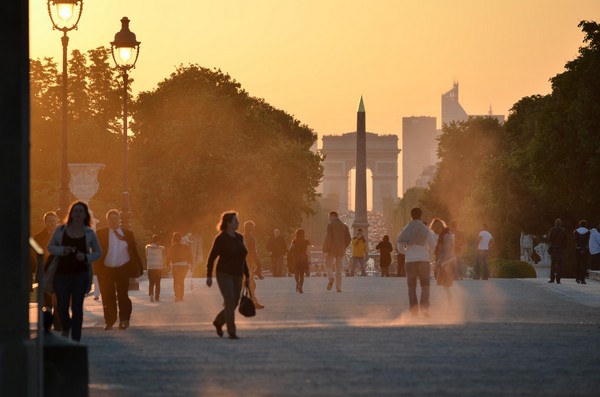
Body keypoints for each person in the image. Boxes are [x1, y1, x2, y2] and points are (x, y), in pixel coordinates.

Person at [47, 201, 101, 341]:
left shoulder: (89, 233)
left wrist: (86, 257)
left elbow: (98, 253)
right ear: (71, 214)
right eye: (75, 211)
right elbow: (51, 247)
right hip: (61, 274)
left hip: (80, 274)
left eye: (81, 211)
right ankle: (66, 327)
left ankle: (76, 337)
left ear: (85, 215)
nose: (77, 213)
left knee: (77, 307)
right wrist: (62, 250)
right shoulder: (61, 230)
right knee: (62, 307)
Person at [95, 209, 143, 331]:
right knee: (108, 296)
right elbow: (95, 251)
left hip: (123, 268)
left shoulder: (127, 233)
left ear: (119, 220)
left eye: (115, 218)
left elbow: (133, 250)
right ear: (107, 221)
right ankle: (109, 321)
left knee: (123, 294)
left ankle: (124, 319)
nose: (113, 221)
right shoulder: (101, 234)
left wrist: (136, 267)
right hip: (106, 269)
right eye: (110, 219)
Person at [206, 211, 250, 339]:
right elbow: (211, 257)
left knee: (234, 303)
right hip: (224, 274)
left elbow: (243, 258)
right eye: (236, 221)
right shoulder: (220, 239)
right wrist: (209, 276)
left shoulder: (239, 237)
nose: (238, 223)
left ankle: (219, 321)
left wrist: (247, 276)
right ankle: (232, 331)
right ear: (229, 223)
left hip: (237, 274)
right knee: (230, 302)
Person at [396, 207, 436, 316]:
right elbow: (433, 246)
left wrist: (407, 253)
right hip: (424, 260)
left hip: (410, 261)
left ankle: (413, 309)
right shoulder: (426, 229)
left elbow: (399, 247)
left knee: (411, 287)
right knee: (425, 285)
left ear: (411, 215)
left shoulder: (406, 229)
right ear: (421, 215)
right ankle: (424, 308)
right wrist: (429, 256)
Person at [32, 211, 62, 330]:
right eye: (49, 221)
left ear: (57, 222)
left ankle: (58, 324)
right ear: (45, 222)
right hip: (45, 272)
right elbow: (35, 255)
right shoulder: (39, 237)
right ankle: (47, 324)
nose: (52, 223)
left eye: (54, 221)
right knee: (47, 300)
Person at [322, 211, 351, 292]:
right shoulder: (344, 226)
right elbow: (349, 239)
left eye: (329, 216)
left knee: (327, 263)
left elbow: (329, 238)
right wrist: (344, 246)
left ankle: (331, 278)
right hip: (341, 249)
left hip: (331, 249)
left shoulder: (330, 225)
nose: (329, 218)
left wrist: (326, 249)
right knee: (338, 268)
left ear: (333, 216)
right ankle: (339, 288)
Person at [430, 218, 456, 303]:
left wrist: (438, 263)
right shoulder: (449, 234)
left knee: (444, 284)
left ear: (438, 227)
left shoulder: (443, 236)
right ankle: (449, 301)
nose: (434, 231)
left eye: (434, 229)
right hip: (450, 261)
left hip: (445, 263)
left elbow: (443, 252)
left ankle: (449, 302)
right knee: (446, 285)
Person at [242, 221, 265, 309]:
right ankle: (254, 302)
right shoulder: (251, 239)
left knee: (248, 283)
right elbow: (253, 253)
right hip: (247, 262)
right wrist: (259, 264)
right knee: (251, 283)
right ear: (252, 228)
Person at [166, 232, 193, 301]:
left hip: (175, 266)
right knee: (181, 281)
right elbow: (190, 256)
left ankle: (176, 296)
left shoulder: (172, 247)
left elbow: (168, 257)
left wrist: (167, 265)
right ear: (181, 239)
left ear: (173, 239)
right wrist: (191, 264)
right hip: (184, 266)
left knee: (176, 281)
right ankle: (181, 296)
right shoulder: (185, 247)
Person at [289, 228, 310, 293]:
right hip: (303, 257)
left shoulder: (294, 241)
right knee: (302, 274)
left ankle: (297, 283)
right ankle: (301, 287)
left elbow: (290, 249)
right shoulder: (306, 242)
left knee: (296, 272)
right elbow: (308, 252)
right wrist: (309, 259)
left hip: (296, 257)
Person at [145, 235, 165, 302]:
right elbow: (163, 257)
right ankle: (157, 297)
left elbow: (146, 256)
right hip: (158, 267)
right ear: (158, 241)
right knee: (158, 283)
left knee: (151, 283)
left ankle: (151, 295)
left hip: (150, 267)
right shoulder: (161, 248)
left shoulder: (147, 248)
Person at [548, 219, 567, 284]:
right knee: (559, 264)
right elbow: (565, 240)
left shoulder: (552, 230)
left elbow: (549, 239)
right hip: (560, 249)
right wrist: (563, 247)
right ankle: (558, 280)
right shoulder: (563, 230)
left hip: (554, 249)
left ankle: (552, 279)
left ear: (555, 223)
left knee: (553, 264)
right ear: (560, 224)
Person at [573, 220, 590, 284]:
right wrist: (584, 247)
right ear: (585, 225)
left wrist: (579, 246)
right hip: (585, 249)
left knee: (578, 264)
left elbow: (575, 240)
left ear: (579, 224)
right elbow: (587, 240)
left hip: (578, 248)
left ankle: (577, 278)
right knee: (584, 264)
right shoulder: (588, 231)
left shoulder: (576, 231)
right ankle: (583, 279)